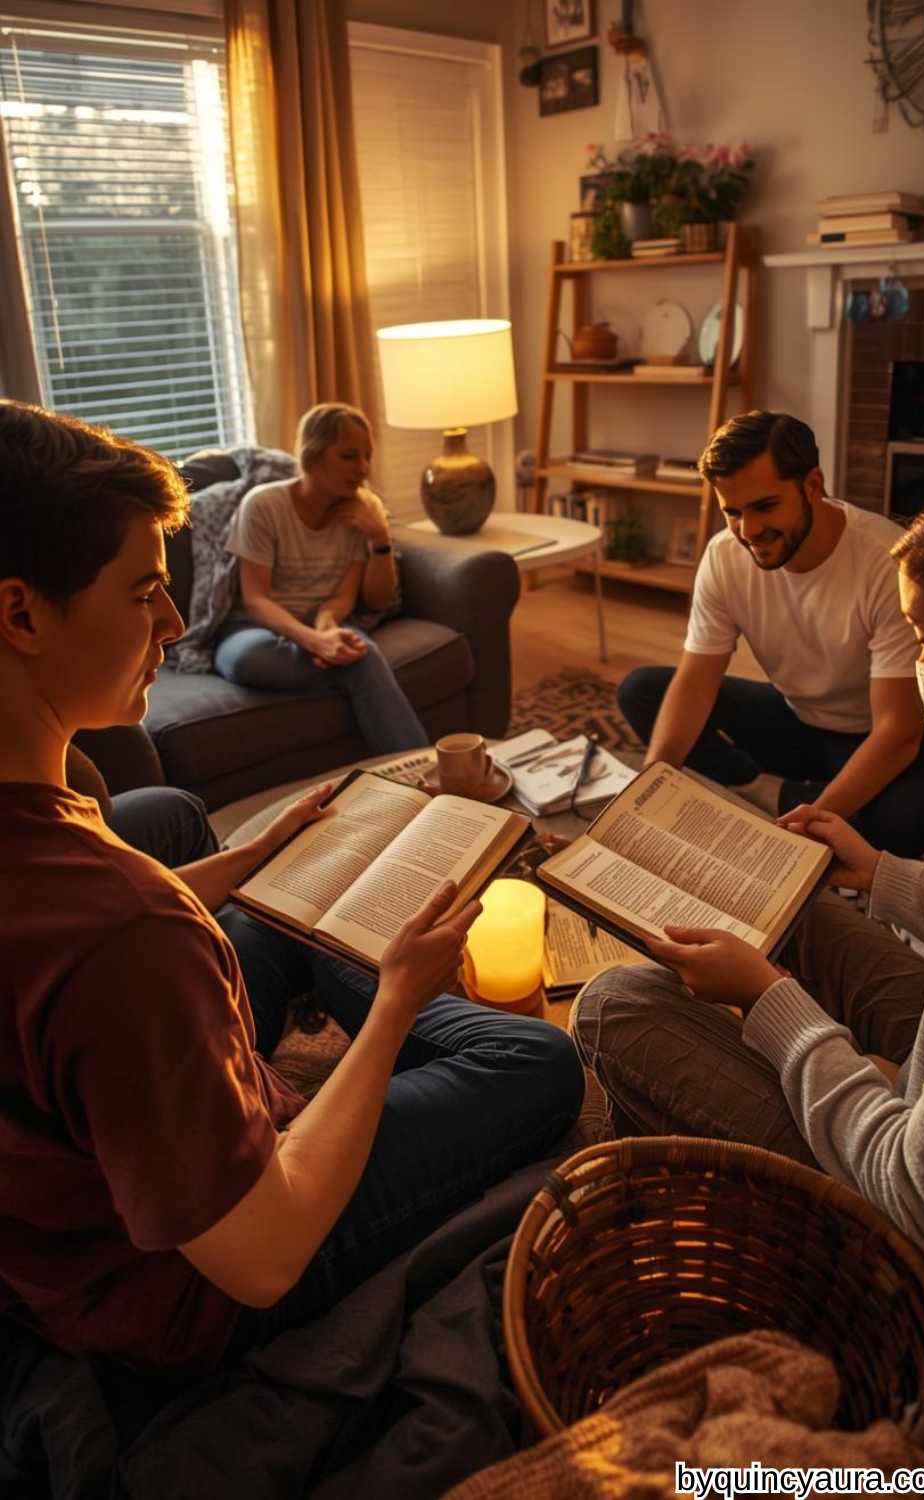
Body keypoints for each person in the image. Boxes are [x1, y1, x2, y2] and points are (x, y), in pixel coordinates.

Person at [0, 400, 583, 1374]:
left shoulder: (72, 863)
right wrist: (397, 1001)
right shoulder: (124, 927)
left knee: (269, 919)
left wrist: (251, 853)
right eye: (146, 592)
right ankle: (379, 1001)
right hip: (196, 1289)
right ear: (20, 612)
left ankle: (338, 962)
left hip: (86, 1192)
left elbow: (69, 966)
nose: (177, 620)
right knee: (533, 1065)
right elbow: (262, 1258)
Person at [572, 468, 924, 1435]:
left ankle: (743, 1249)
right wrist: (882, 876)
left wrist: (774, 1004)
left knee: (613, 1006)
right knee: (804, 897)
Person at [618, 410, 924, 857]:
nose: (749, 530)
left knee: (912, 822)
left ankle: (787, 801)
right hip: (801, 721)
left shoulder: (887, 562)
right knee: (642, 691)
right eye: (733, 512)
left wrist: (802, 829)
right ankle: (760, 788)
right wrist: (647, 788)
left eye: (764, 507)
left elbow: (898, 733)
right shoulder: (724, 557)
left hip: (883, 734)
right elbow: (695, 683)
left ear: (812, 486)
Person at [214, 401, 428, 755]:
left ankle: (422, 770)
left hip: (322, 624)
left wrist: (379, 540)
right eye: (348, 456)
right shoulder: (264, 506)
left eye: (366, 456)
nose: (362, 469)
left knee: (360, 653)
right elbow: (256, 599)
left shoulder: (362, 511)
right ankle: (356, 679)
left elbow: (354, 598)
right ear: (313, 454)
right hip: (259, 630)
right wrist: (315, 643)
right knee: (245, 659)